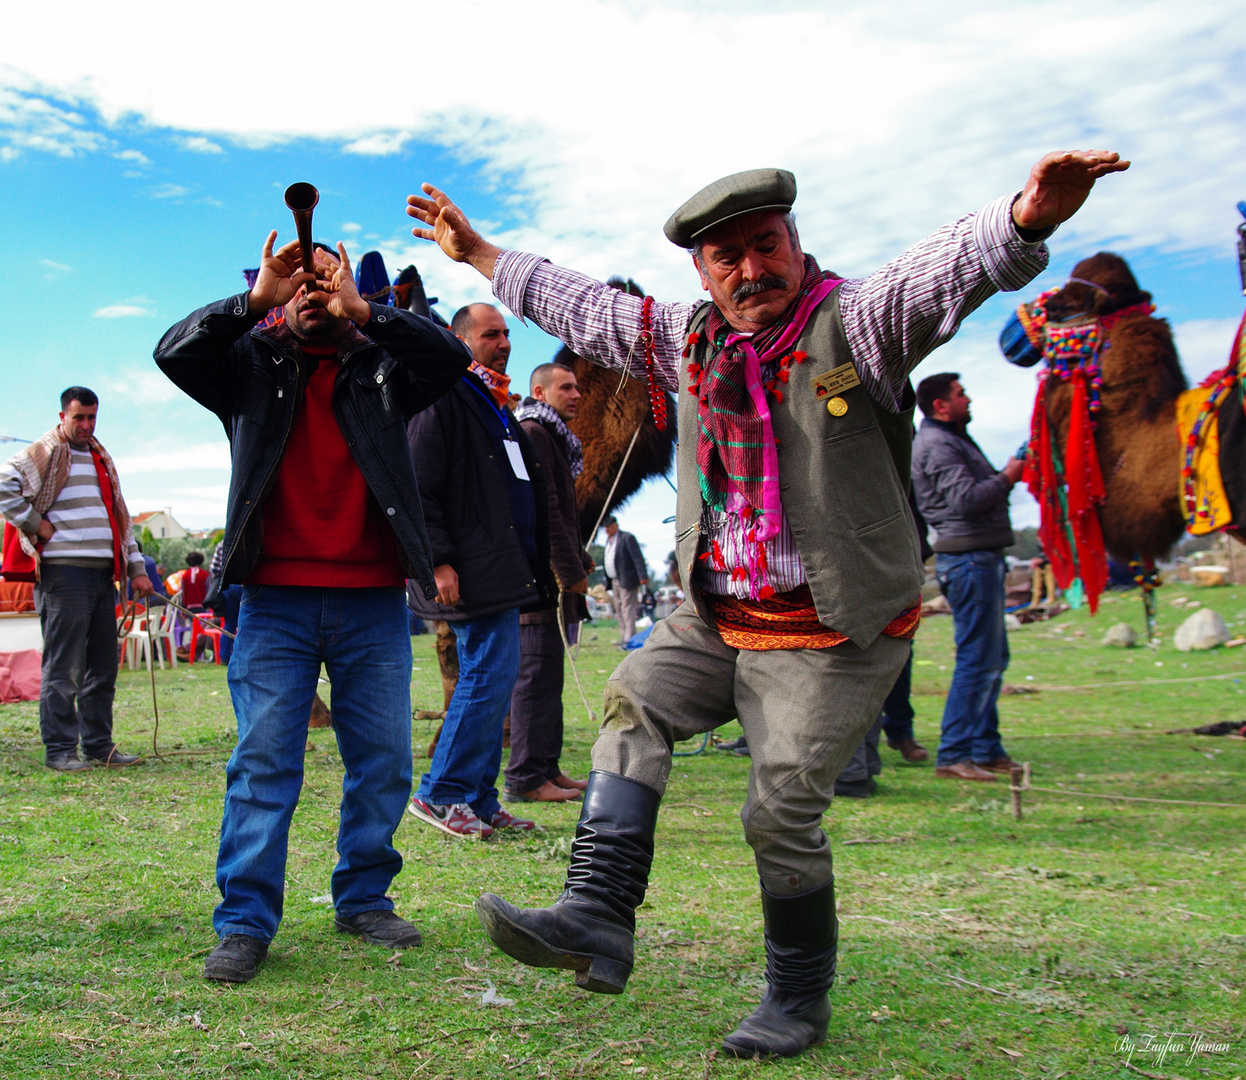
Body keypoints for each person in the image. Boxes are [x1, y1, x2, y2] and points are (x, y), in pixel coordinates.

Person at [407, 149, 1126, 1057]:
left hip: (831, 627)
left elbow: (934, 275)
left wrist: (1024, 220)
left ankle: (798, 997)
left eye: (765, 244)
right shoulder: (684, 339)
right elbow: (584, 305)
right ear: (701, 274)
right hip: (716, 610)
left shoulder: (855, 325)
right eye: (726, 258)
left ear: (793, 241)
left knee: (778, 807)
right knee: (634, 703)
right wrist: (480, 254)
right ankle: (595, 915)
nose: (752, 269)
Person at [153, 233, 467, 984]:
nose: (311, 290)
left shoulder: (383, 367)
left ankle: (363, 896)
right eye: (297, 278)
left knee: (386, 761)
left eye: (324, 276)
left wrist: (370, 310)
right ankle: (245, 922)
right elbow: (173, 353)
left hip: (373, 604)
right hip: (274, 602)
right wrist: (253, 300)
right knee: (263, 764)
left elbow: (449, 360)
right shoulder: (246, 367)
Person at [406, 302, 554, 838]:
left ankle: (480, 798)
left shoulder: (493, 402)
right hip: (466, 569)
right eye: (492, 334)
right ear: (459, 338)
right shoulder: (441, 392)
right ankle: (441, 794)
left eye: (507, 333)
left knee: (494, 679)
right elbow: (418, 482)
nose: (505, 342)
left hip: (498, 567)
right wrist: (437, 560)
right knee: (486, 676)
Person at [0, 387, 154, 772]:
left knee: (102, 665)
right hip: (63, 573)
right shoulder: (44, 450)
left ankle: (99, 746)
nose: (86, 425)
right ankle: (60, 749)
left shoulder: (100, 457)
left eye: (92, 417)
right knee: (64, 666)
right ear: (63, 415)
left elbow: (120, 518)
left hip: (101, 575)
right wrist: (35, 524)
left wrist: (137, 569)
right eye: (79, 417)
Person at [912, 372, 1023, 782]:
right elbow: (965, 500)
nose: (968, 399)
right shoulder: (938, 445)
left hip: (979, 558)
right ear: (940, 404)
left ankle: (985, 748)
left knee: (990, 658)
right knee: (977, 659)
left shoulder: (952, 439)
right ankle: (956, 753)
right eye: (961, 394)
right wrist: (1009, 475)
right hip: (969, 559)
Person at [507, 361, 595, 802]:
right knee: (535, 678)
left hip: (550, 575)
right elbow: (548, 512)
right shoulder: (536, 433)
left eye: (577, 386)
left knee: (549, 679)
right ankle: (526, 778)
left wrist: (578, 559)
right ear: (539, 393)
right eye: (566, 387)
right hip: (539, 582)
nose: (576, 394)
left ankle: (548, 769)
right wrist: (570, 571)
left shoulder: (555, 436)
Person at [601, 517, 647, 644]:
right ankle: (623, 638)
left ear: (615, 525)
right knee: (619, 610)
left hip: (627, 579)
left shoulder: (627, 538)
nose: (606, 529)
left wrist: (643, 576)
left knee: (628, 610)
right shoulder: (608, 541)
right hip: (614, 580)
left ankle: (630, 639)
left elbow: (638, 558)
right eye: (605, 527)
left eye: (609, 526)